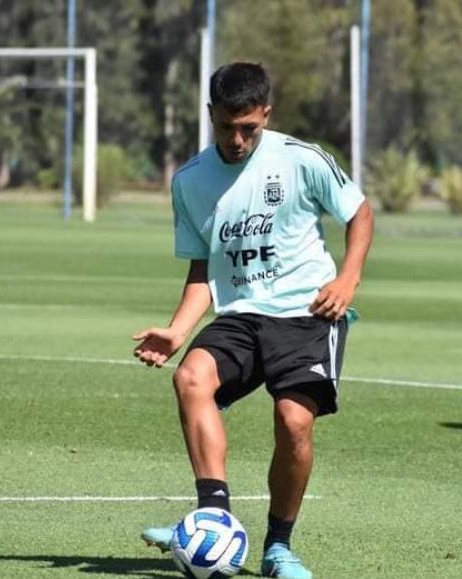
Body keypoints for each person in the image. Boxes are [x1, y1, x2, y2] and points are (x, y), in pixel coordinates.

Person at [132, 62, 374, 579]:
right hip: (241, 314)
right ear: (210, 115)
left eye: (248, 128)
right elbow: (203, 266)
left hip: (307, 312)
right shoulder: (190, 181)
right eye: (226, 127)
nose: (237, 140)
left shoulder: (301, 159)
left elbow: (359, 213)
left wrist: (347, 280)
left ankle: (278, 547)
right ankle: (213, 521)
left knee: (294, 421)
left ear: (266, 113)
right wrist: (178, 330)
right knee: (190, 378)